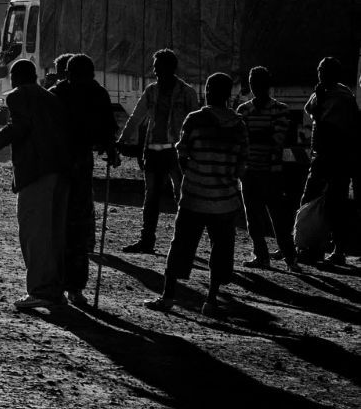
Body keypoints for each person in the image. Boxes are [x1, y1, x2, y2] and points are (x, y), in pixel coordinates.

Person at [145, 73, 248, 316]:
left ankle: (168, 296)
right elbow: (242, 164)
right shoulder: (239, 124)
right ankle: (211, 300)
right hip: (225, 200)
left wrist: (194, 174)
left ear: (209, 91)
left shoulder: (195, 119)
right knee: (221, 250)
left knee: (180, 246)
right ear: (228, 95)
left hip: (194, 196)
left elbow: (181, 155)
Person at [0, 59, 71, 312]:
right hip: (59, 171)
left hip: (35, 172)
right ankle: (55, 289)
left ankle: (40, 290)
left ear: (15, 78)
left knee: (34, 233)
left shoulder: (18, 96)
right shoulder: (51, 98)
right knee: (54, 232)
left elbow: (21, 127)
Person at [49, 54, 120, 306]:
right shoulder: (95, 92)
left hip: (60, 165)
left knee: (60, 224)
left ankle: (64, 286)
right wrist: (111, 150)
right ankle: (73, 288)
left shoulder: (57, 92)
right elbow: (108, 130)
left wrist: (110, 149)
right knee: (75, 226)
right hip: (75, 164)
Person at [117, 49, 199, 254]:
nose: (155, 71)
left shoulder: (186, 92)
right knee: (153, 198)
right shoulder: (152, 91)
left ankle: (181, 243)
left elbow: (194, 124)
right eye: (155, 68)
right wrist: (122, 141)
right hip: (155, 151)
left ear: (170, 68)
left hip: (175, 152)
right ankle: (149, 241)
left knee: (180, 197)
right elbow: (136, 117)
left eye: (158, 67)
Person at [296, 56, 361, 267]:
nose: (320, 76)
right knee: (309, 200)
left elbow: (332, 128)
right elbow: (310, 110)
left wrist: (321, 100)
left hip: (337, 158)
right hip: (321, 157)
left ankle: (337, 250)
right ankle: (306, 244)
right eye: (319, 71)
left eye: (323, 72)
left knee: (335, 204)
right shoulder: (324, 92)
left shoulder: (341, 97)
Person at [238, 66, 297, 269]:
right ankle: (277, 258)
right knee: (257, 219)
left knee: (275, 219)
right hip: (261, 171)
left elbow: (273, 139)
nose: (256, 88)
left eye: (259, 84)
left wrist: (255, 137)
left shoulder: (245, 111)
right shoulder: (279, 110)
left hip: (263, 172)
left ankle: (282, 257)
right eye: (254, 84)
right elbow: (274, 138)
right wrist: (265, 134)